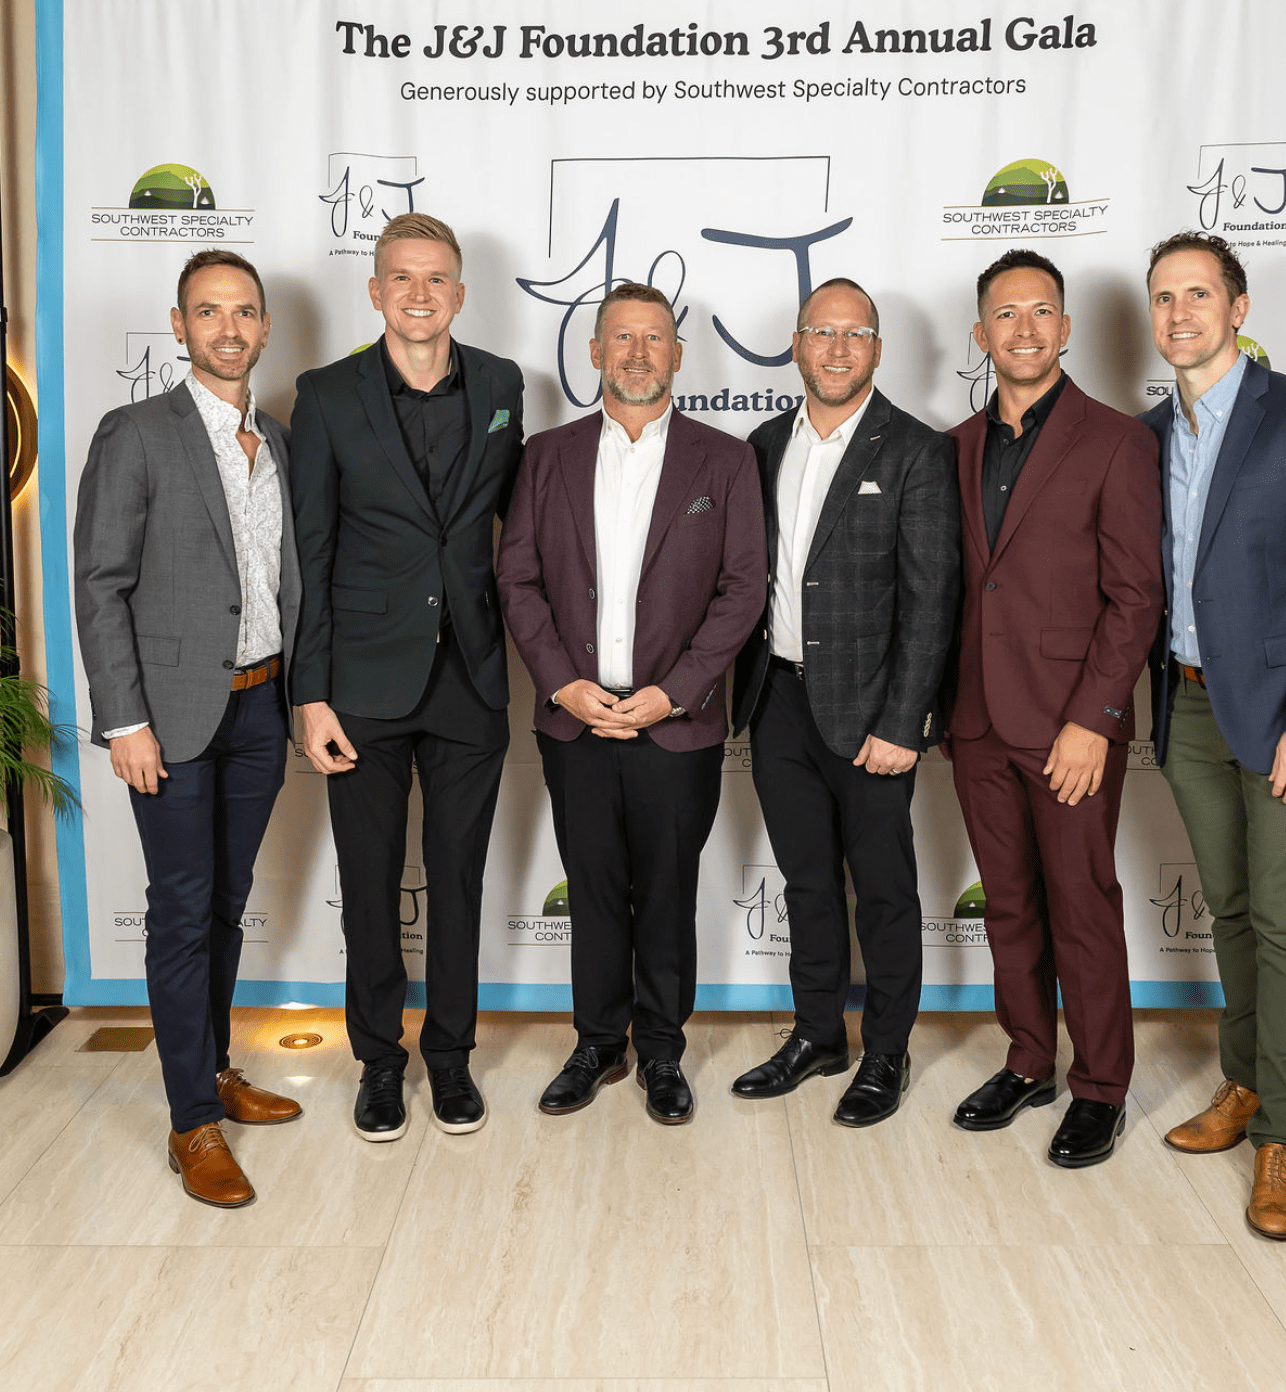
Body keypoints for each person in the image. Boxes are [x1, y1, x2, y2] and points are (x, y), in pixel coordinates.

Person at [1140, 231, 1286, 1239]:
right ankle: (1243, 1083)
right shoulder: (1149, 433)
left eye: (1198, 293)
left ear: (1236, 308)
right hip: (1187, 706)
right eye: (1163, 297)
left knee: (1285, 924)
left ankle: (1283, 1137)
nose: (1178, 312)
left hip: (1285, 718)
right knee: (1230, 910)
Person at [497, 282, 766, 1124]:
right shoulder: (546, 456)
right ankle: (596, 1044)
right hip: (573, 720)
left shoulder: (724, 461)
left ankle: (661, 1049)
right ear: (595, 351)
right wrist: (561, 683)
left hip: (674, 725)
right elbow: (518, 578)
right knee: (593, 887)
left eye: (654, 338)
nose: (638, 353)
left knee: (667, 890)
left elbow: (743, 590)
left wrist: (674, 694)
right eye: (622, 338)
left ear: (677, 354)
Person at [289, 213, 525, 1142]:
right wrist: (310, 693)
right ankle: (379, 1064)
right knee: (370, 883)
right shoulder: (325, 394)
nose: (419, 294)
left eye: (436, 280)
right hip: (360, 683)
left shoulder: (503, 384)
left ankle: (452, 1058)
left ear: (459, 294)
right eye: (402, 277)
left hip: (470, 672)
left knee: (460, 882)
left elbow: (518, 527)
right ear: (375, 290)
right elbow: (310, 551)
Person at [75, 249, 302, 1208]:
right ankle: (190, 1122)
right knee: (180, 910)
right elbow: (101, 584)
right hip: (167, 718)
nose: (228, 328)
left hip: (260, 705)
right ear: (179, 327)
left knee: (224, 905)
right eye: (209, 311)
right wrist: (124, 719)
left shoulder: (277, 439)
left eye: (244, 311)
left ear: (264, 327)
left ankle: (210, 1069)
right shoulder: (136, 433)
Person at [944, 248, 1162, 1169]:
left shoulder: (1116, 441)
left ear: (1066, 329)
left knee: (1082, 905)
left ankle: (1101, 1087)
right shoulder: (955, 446)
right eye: (1006, 313)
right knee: (1010, 906)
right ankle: (1029, 1058)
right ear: (981, 334)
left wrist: (1093, 720)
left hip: (1072, 724)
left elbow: (1136, 597)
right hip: (977, 721)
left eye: (1041, 312)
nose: (1025, 328)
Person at [728, 278, 959, 1127]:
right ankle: (819, 1034)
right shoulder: (761, 444)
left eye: (854, 333)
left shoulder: (915, 451)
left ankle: (886, 1051)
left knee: (885, 890)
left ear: (877, 349)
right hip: (777, 699)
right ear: (796, 344)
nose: (836, 349)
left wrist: (904, 723)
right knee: (806, 883)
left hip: (872, 713)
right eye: (821, 332)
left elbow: (932, 600)